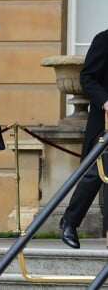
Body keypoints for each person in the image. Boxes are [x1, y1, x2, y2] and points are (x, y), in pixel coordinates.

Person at [60, 29, 108, 249]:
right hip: (105, 122)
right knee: (94, 175)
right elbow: (87, 77)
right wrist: (106, 101)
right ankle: (69, 222)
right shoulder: (104, 39)